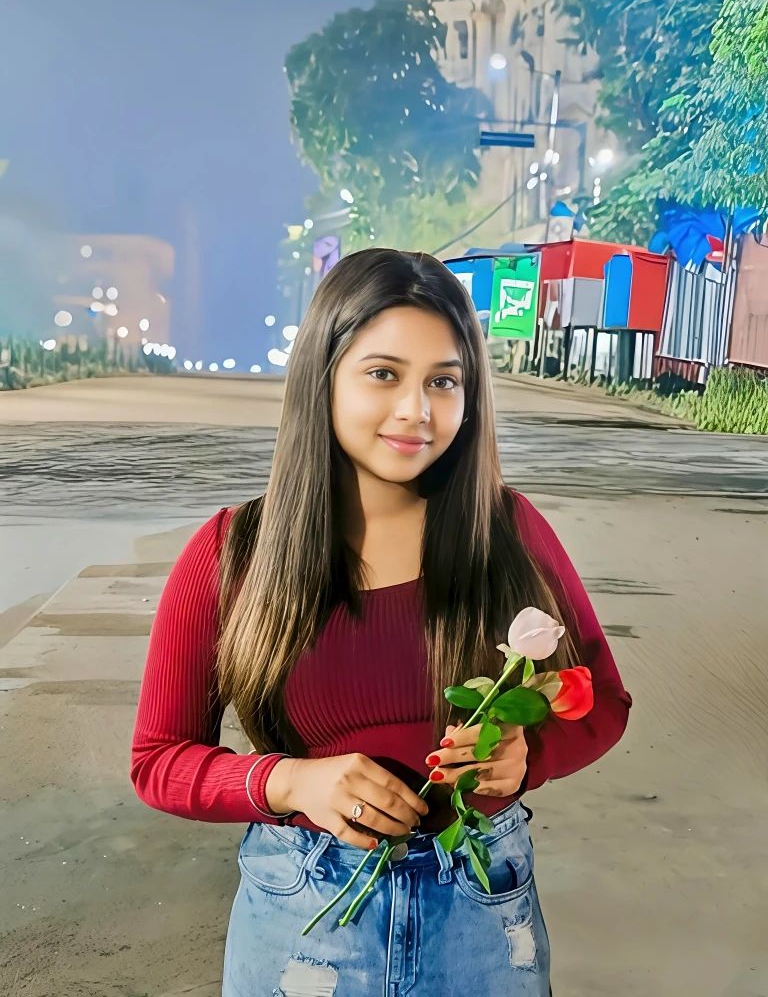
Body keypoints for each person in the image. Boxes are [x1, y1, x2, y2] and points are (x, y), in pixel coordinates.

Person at [130, 248, 633, 996]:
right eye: (383, 374)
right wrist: (290, 782)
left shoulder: (507, 533)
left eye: (443, 382)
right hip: (303, 921)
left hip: (483, 913)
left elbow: (603, 703)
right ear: (323, 378)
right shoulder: (233, 555)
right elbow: (159, 760)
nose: (416, 411)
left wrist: (529, 755)